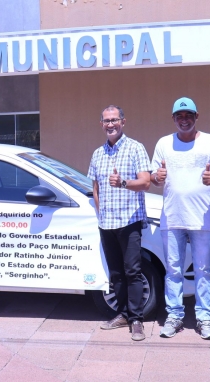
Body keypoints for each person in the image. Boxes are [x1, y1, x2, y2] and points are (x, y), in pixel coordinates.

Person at [151, 98, 210, 340]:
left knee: (203, 270)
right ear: (173, 119)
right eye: (179, 116)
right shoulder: (164, 143)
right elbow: (154, 176)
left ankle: (204, 318)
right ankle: (174, 316)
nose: (184, 119)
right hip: (172, 218)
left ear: (197, 117)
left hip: (202, 219)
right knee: (173, 270)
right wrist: (157, 176)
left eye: (188, 115)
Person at [88, 105, 152, 341]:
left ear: (123, 122)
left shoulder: (136, 148)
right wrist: (100, 212)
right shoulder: (97, 153)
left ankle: (136, 320)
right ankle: (122, 314)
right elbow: (95, 188)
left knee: (133, 271)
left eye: (115, 120)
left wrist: (123, 183)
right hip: (107, 223)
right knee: (115, 273)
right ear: (102, 124)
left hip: (129, 221)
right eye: (106, 120)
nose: (111, 124)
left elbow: (146, 182)